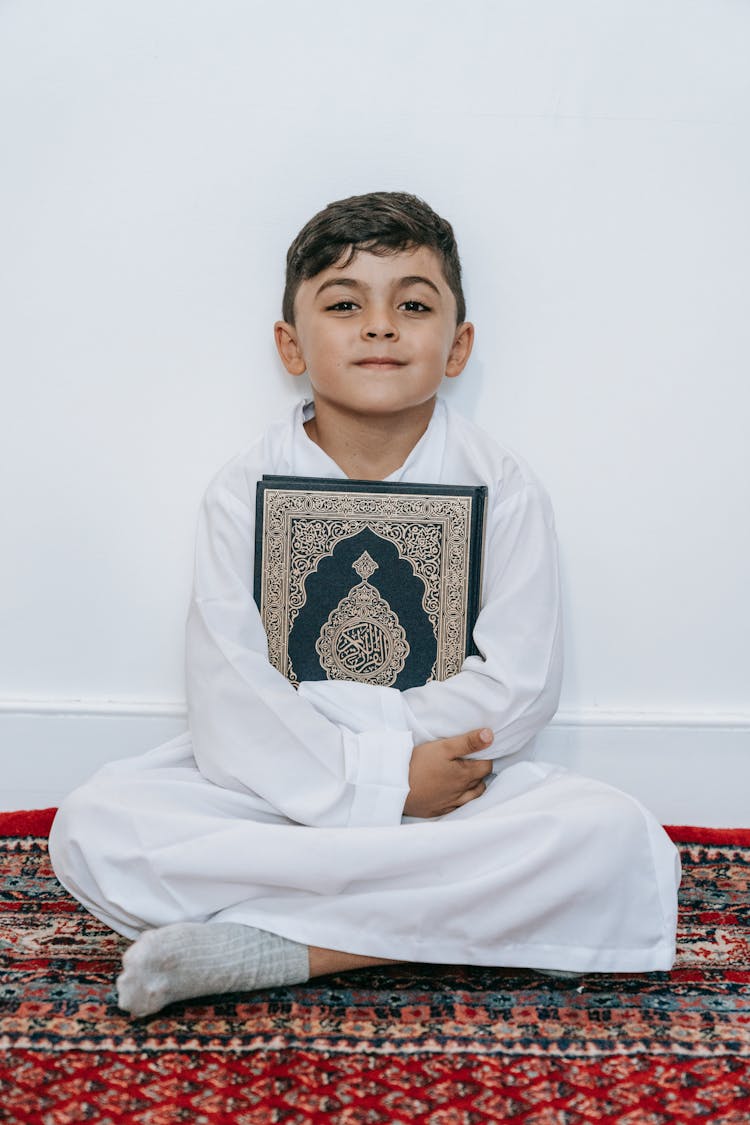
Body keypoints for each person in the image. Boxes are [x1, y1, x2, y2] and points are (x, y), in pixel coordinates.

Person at [49, 192, 681, 1018]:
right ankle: (419, 923)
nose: (380, 326)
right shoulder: (242, 489)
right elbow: (230, 686)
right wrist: (373, 784)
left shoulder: (505, 486)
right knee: (99, 823)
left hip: (449, 789)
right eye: (345, 304)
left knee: (613, 837)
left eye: (412, 305)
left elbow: (519, 685)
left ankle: (284, 946)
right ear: (290, 343)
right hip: (281, 785)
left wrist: (407, 779)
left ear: (456, 347)